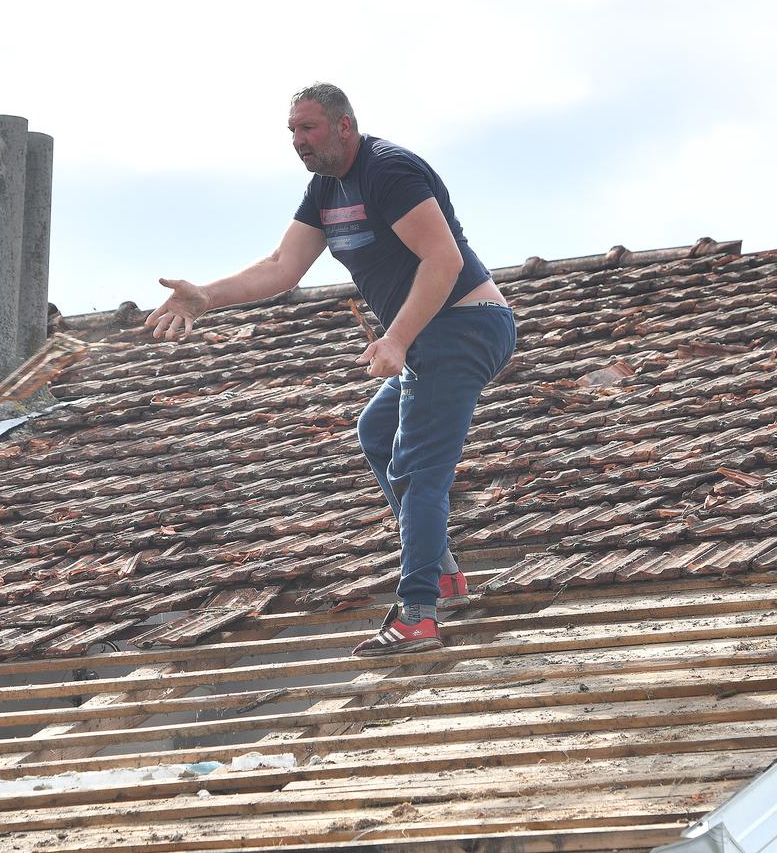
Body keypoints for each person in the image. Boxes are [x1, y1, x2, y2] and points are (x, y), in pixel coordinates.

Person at [146, 83, 516, 657]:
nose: (298, 141)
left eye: (308, 128)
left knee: (418, 466)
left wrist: (397, 337)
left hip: (465, 325)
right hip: (428, 335)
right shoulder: (324, 189)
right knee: (376, 433)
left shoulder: (389, 172)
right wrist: (206, 297)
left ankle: (418, 612)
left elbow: (443, 258)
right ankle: (439, 570)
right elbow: (280, 267)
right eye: (292, 130)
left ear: (345, 126)